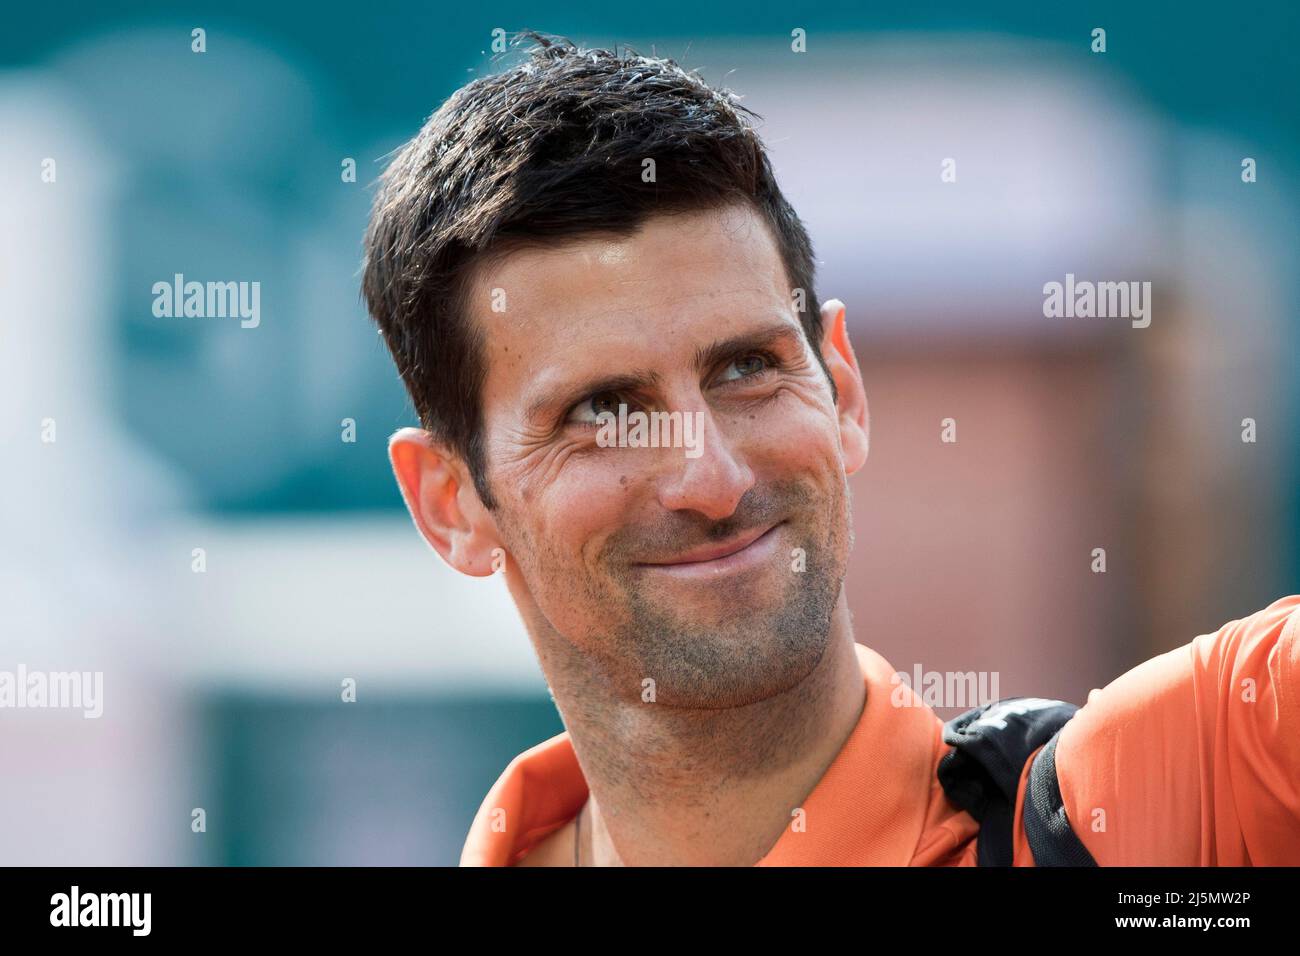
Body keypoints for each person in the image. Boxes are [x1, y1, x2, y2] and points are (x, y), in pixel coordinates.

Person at [360, 31, 1300, 866]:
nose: (712, 478)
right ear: (451, 503)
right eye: (603, 410)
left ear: (840, 387)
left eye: (744, 369)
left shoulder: (1184, 796)